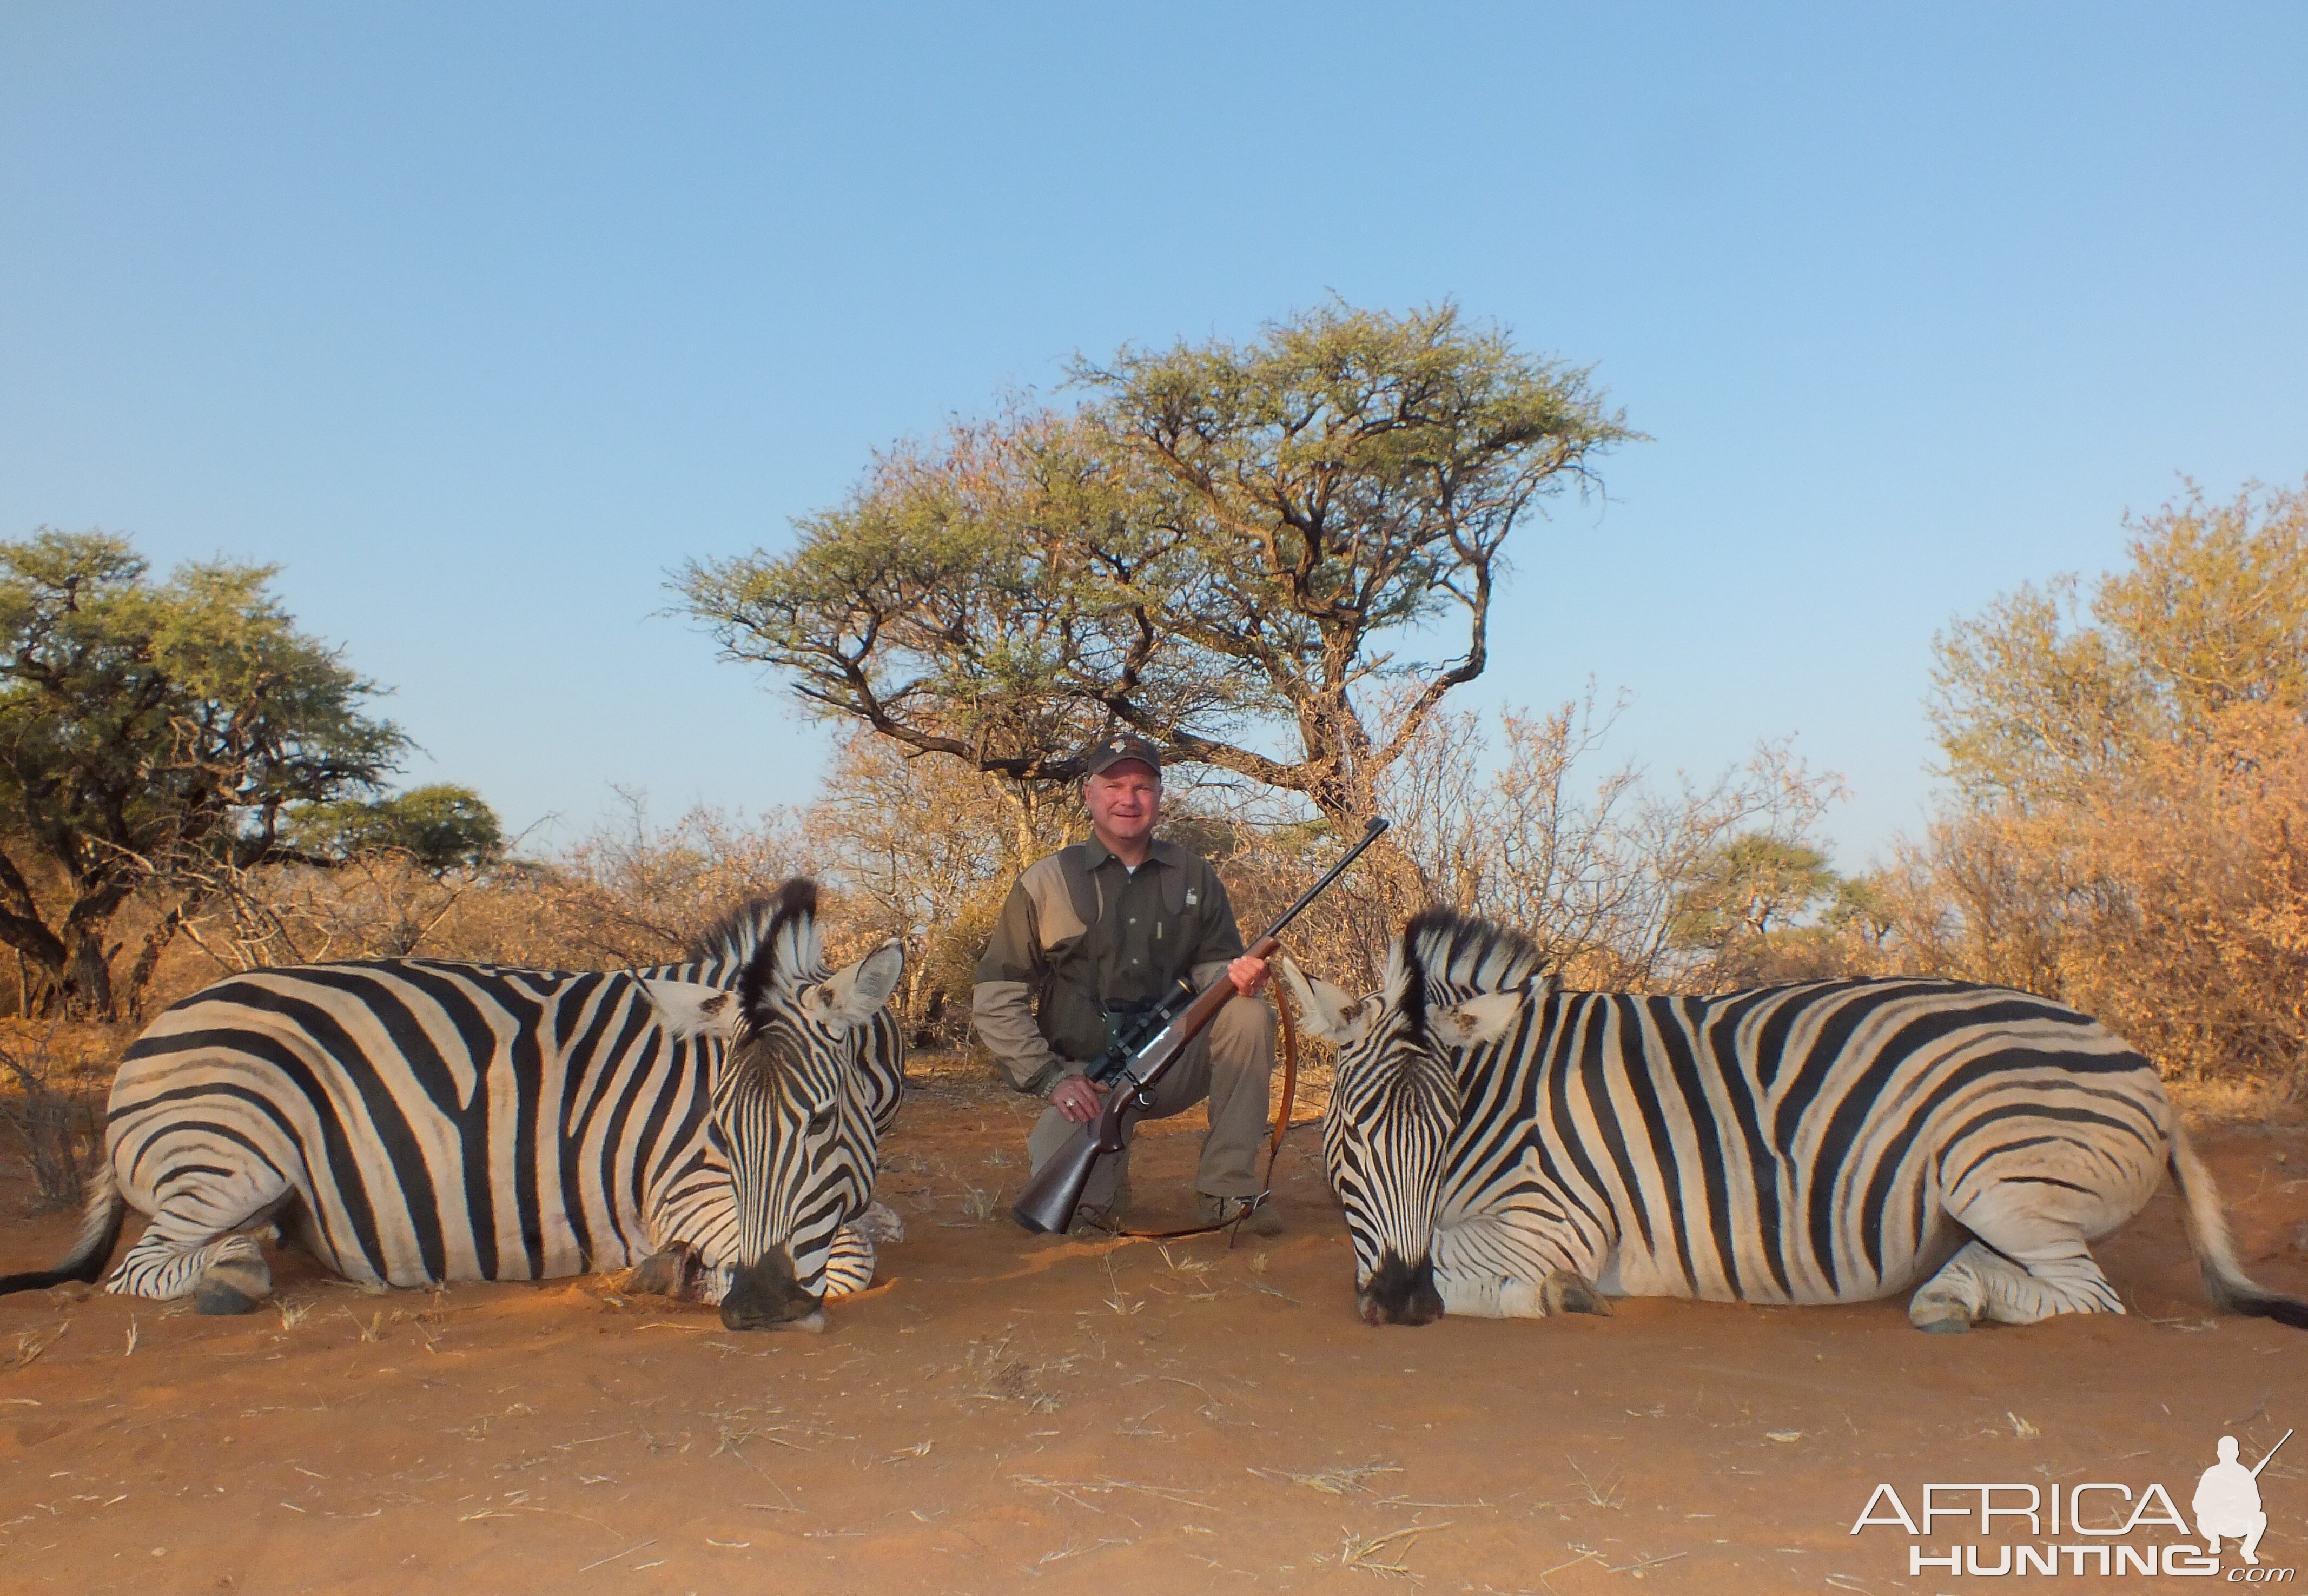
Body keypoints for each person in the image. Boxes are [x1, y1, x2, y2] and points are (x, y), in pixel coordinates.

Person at [973, 732, 1280, 1235]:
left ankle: (1227, 1191)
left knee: (1248, 1014)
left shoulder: (1195, 875)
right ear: (1088, 794)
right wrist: (1051, 1078)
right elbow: (995, 997)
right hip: (1088, 1083)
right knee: (1076, 1220)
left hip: (1173, 1063)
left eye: (1142, 786)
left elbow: (1213, 966)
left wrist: (1238, 977)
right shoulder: (1045, 880)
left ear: (1159, 796)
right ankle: (1106, 1175)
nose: (1128, 798)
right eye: (1113, 785)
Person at [2193, 1435, 2268, 1565]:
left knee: (2260, 1517)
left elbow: (2257, 1504)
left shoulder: (2244, 1474)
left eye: (2231, 1450)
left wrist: (2242, 1501)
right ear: (2219, 1453)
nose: (2227, 1454)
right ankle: (2214, 1539)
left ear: (2237, 1453)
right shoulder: (2211, 1473)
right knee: (2204, 1517)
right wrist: (2220, 1501)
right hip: (2214, 1523)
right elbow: (2198, 1505)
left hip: (2236, 1523)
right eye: (2224, 1450)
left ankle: (2248, 1550)